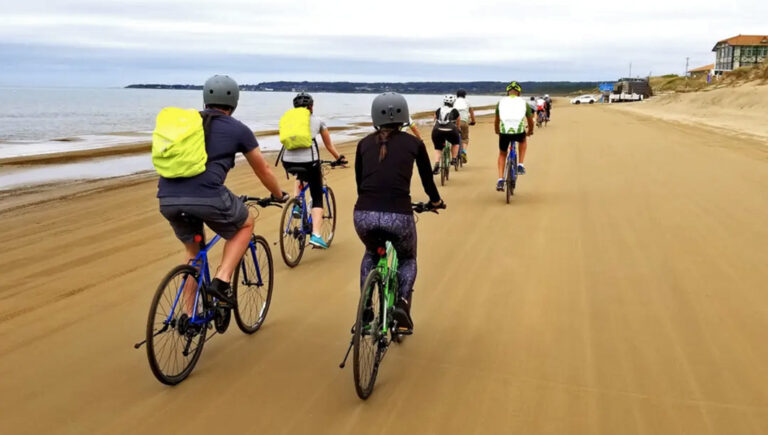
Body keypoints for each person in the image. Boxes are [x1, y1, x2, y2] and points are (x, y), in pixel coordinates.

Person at [158, 74, 288, 309]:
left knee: (193, 252)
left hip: (167, 197)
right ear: (234, 102)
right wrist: (278, 194)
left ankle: (189, 316)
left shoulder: (187, 125)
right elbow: (263, 169)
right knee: (246, 223)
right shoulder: (238, 129)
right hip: (206, 196)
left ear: (205, 99)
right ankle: (222, 280)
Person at [354, 92, 444, 332]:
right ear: (404, 117)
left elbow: (360, 183)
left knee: (372, 252)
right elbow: (427, 181)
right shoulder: (414, 144)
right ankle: (402, 304)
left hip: (364, 214)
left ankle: (364, 310)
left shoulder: (363, 143)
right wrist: (435, 202)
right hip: (399, 216)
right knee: (407, 258)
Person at [281, 92, 347, 249]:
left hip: (287, 161)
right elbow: (329, 145)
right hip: (310, 162)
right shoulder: (317, 121)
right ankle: (316, 235)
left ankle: (297, 204)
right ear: (311, 106)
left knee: (300, 174)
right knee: (317, 196)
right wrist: (339, 158)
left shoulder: (288, 119)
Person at [494, 81, 534, 191]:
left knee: (502, 154)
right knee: (523, 140)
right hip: (518, 131)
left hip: (504, 131)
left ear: (507, 92)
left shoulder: (500, 102)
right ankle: (520, 164)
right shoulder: (523, 103)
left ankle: (500, 180)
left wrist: (497, 130)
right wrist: (530, 131)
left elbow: (497, 120)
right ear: (519, 93)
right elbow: (530, 121)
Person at [430, 94, 462, 174]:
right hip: (451, 129)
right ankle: (454, 159)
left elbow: (434, 120)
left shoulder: (439, 109)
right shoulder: (455, 110)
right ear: (453, 102)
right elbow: (458, 121)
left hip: (437, 130)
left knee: (438, 148)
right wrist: (458, 129)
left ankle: (437, 164)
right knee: (455, 143)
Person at [453, 89, 476, 163]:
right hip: (464, 121)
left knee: (452, 138)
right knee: (465, 138)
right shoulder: (467, 102)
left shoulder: (454, 101)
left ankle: (453, 155)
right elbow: (471, 113)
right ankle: (464, 152)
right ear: (465, 95)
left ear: (457, 95)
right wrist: (473, 121)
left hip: (454, 122)